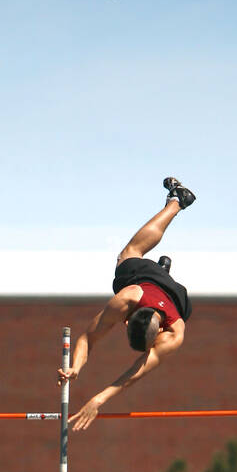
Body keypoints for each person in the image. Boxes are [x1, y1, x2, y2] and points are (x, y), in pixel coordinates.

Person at [58, 177, 195, 432]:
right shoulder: (128, 297)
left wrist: (98, 400)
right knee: (128, 256)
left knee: (130, 253)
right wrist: (75, 367)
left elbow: (135, 371)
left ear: (129, 320)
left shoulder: (173, 334)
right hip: (161, 292)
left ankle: (177, 203)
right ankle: (177, 202)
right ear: (129, 318)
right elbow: (86, 339)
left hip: (169, 294)